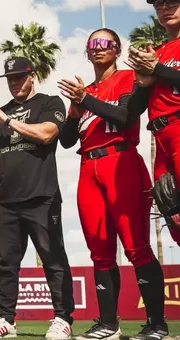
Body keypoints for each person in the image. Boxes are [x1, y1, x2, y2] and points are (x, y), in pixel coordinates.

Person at [57, 28, 168, 340]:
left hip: (121, 162)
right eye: (92, 44)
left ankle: (156, 325)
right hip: (87, 166)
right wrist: (73, 112)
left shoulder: (127, 79)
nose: (98, 48)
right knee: (100, 251)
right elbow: (66, 141)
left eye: (105, 43)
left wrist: (86, 100)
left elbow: (124, 117)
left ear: (118, 50)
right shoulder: (85, 90)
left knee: (136, 247)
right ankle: (108, 324)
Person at [0, 57, 74, 340]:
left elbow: (46, 135)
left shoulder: (49, 103)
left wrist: (10, 122)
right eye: (10, 79)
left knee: (53, 259)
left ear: (32, 76)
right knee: (6, 264)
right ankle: (5, 319)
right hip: (5, 198)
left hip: (42, 195)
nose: (14, 83)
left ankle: (63, 318)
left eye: (19, 77)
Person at [126, 0, 180, 249]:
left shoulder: (155, 60)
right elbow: (135, 109)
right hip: (161, 139)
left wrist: (157, 69)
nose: (165, 8)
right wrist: (143, 82)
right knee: (175, 222)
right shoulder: (155, 52)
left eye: (172, 2)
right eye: (159, 4)